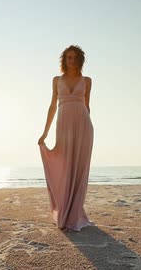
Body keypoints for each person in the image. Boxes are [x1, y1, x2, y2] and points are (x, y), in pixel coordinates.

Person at [38, 45, 94, 232]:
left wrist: (89, 129)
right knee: (65, 166)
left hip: (83, 126)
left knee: (78, 169)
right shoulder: (56, 80)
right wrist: (45, 132)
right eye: (68, 57)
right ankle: (64, 211)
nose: (71, 60)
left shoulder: (87, 81)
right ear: (64, 60)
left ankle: (75, 213)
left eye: (74, 57)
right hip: (63, 126)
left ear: (79, 60)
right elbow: (52, 107)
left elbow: (87, 107)